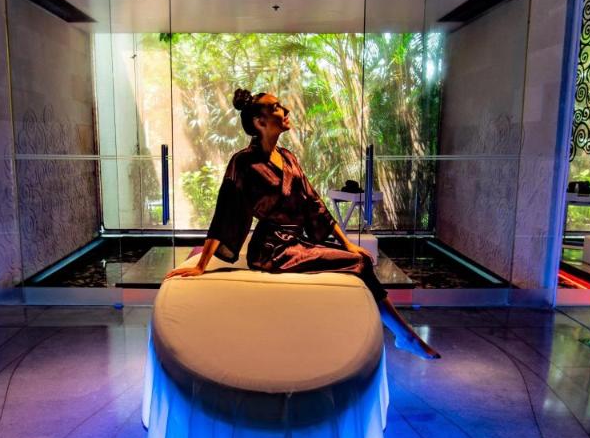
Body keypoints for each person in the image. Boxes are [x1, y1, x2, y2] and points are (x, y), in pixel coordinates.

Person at [164, 88, 441, 360]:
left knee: (359, 258)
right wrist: (201, 265)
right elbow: (225, 212)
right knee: (359, 263)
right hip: (272, 250)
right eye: (275, 107)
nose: (285, 110)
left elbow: (313, 203)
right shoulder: (243, 163)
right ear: (260, 123)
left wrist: (347, 244)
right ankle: (404, 336)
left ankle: (398, 335)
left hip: (296, 242)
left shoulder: (288, 157)